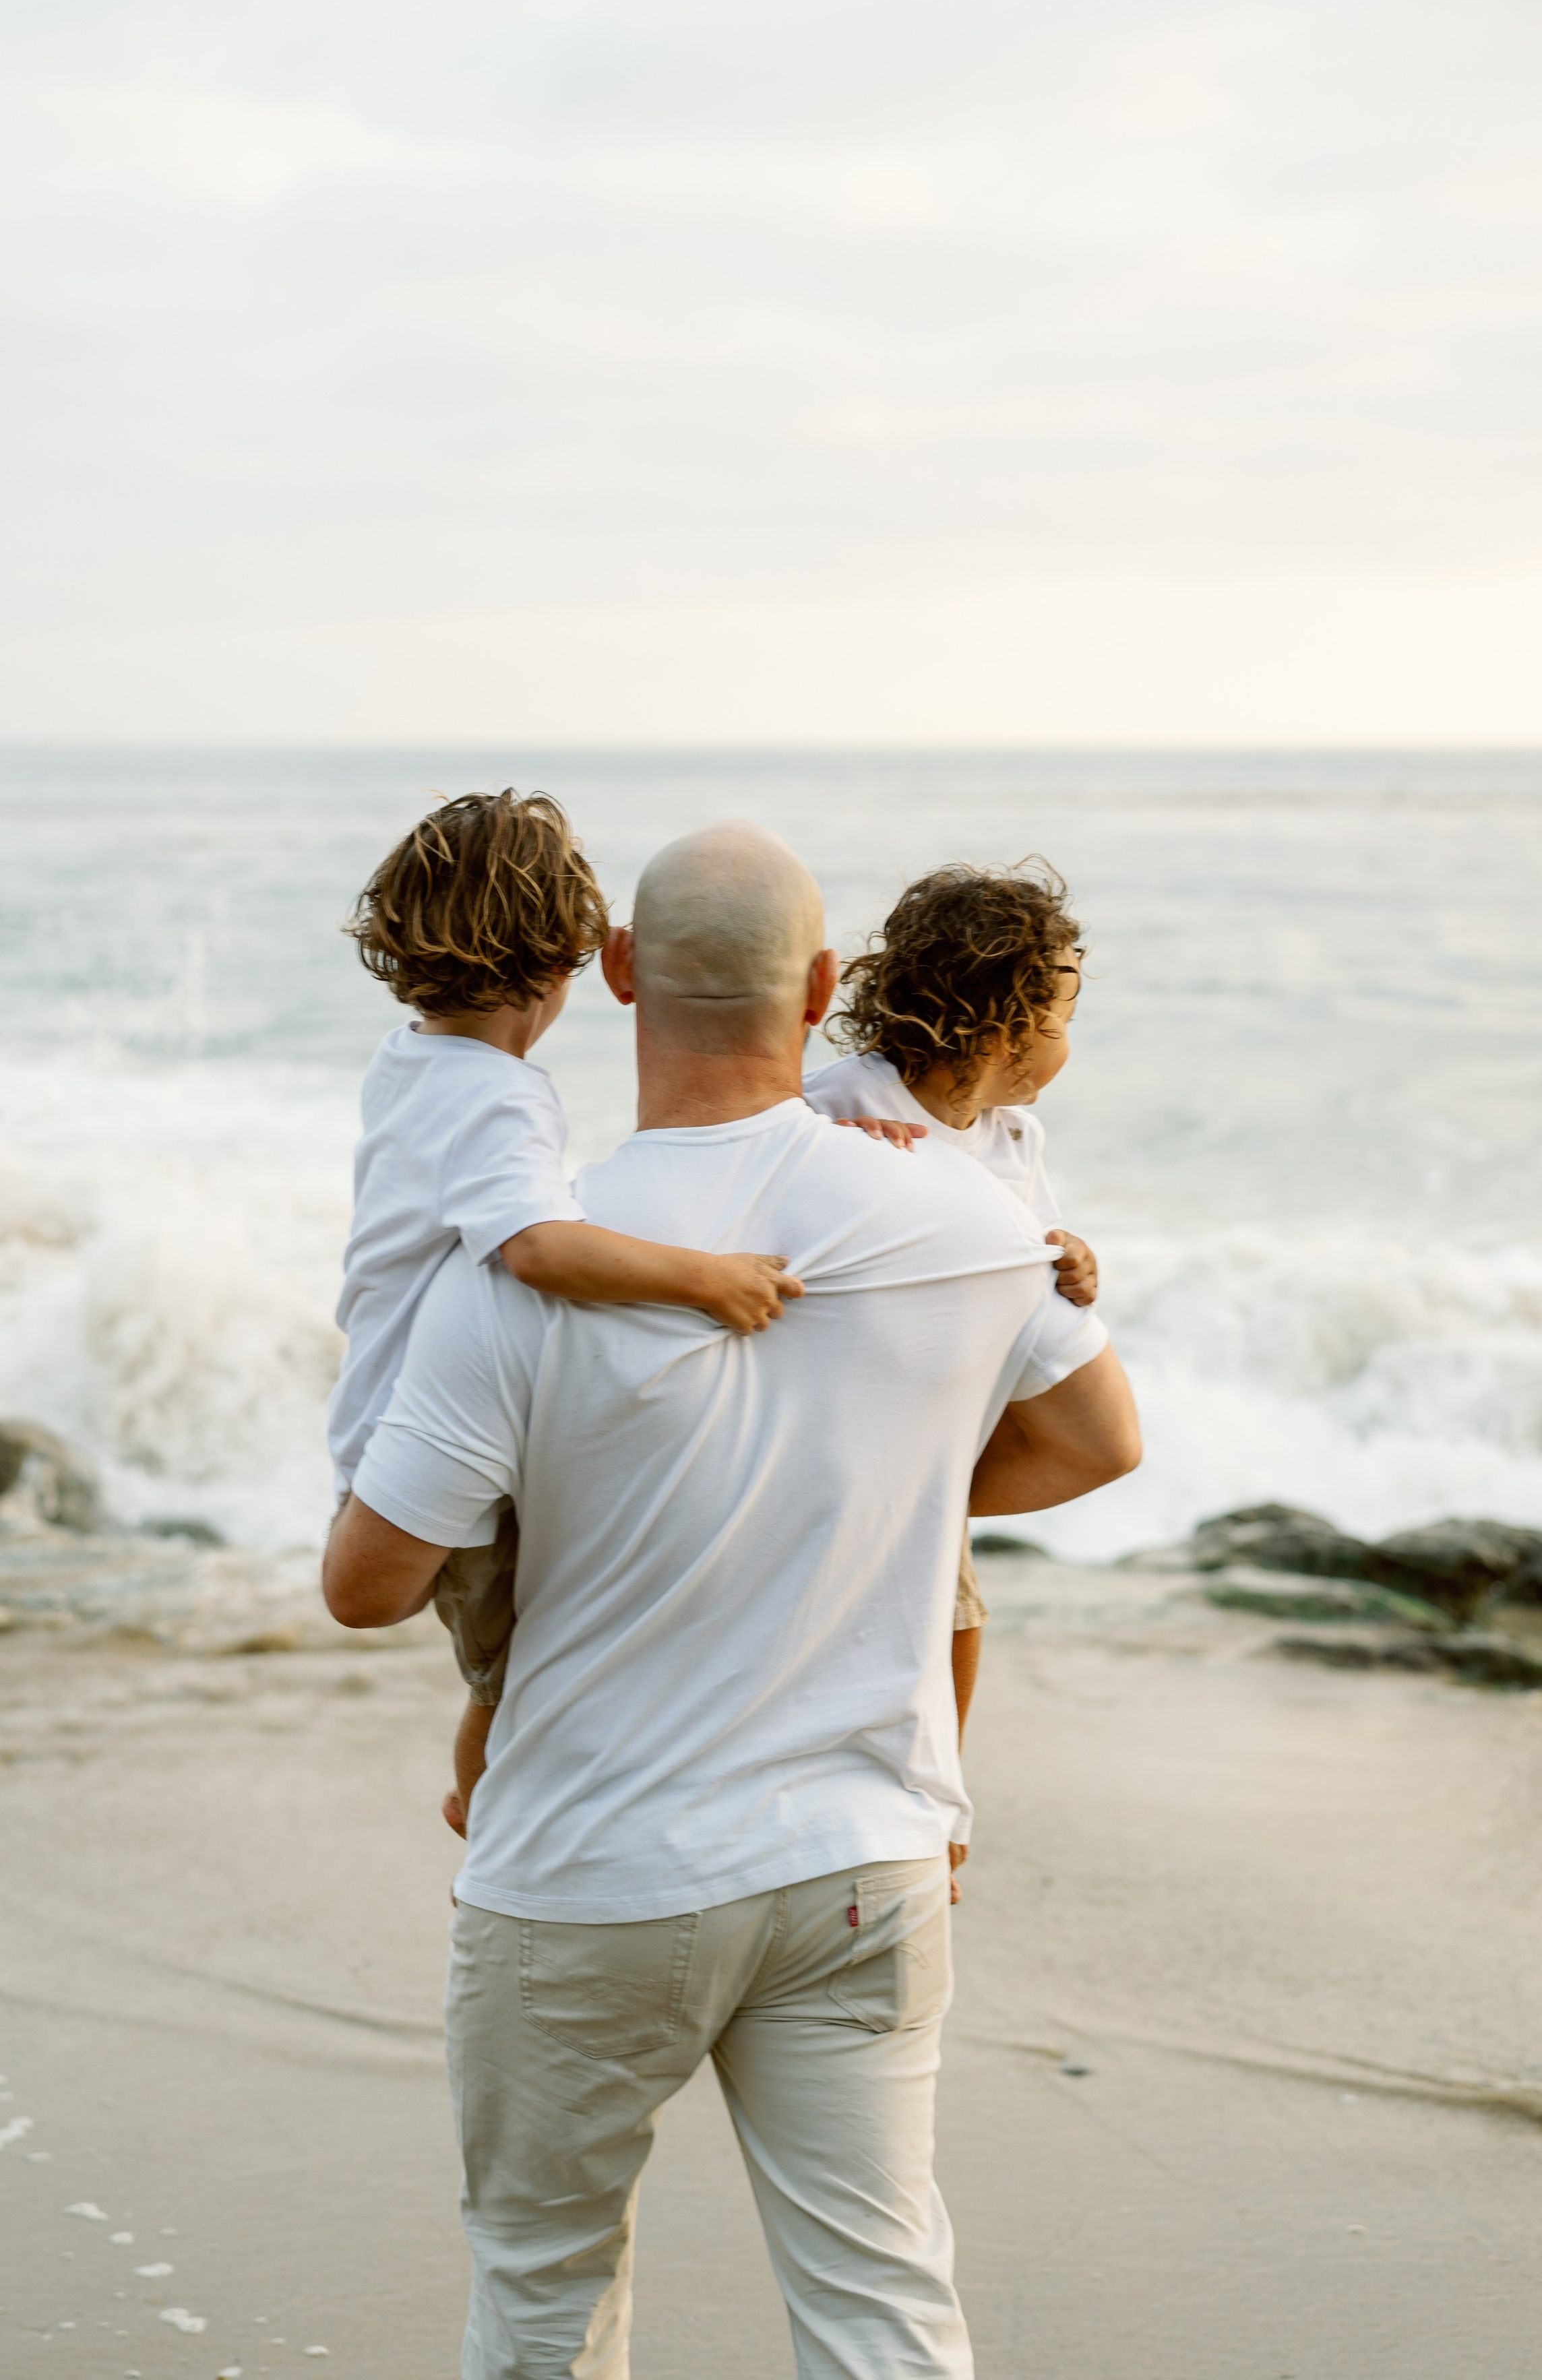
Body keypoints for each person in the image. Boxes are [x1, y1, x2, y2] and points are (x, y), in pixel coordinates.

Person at [323, 821, 1141, 2380]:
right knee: (882, 2305)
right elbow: (1097, 1445)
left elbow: (370, 1587)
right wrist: (863, 1493)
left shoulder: (517, 1268)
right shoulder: (975, 1226)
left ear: (619, 976)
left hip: (590, 1873)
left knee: (545, 2298)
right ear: (823, 986)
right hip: (863, 1862)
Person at [329, 788, 803, 1839]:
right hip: (424, 1440)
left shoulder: (409, 1063)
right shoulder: (499, 1095)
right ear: (564, 965)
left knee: (511, 1661)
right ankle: (488, 1816)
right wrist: (703, 1277)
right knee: (512, 1677)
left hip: (381, 1413)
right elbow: (537, 1247)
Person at [806, 858, 1099, 1754]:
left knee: (957, 1610)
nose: (1069, 1043)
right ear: (1004, 1034)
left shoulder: (1016, 1137)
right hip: (845, 1397)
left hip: (944, 1411)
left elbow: (1033, 1244)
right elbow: (762, 1159)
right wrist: (836, 1144)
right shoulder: (847, 1100)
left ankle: (940, 1783)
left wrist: (1075, 1259)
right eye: (1064, 1022)